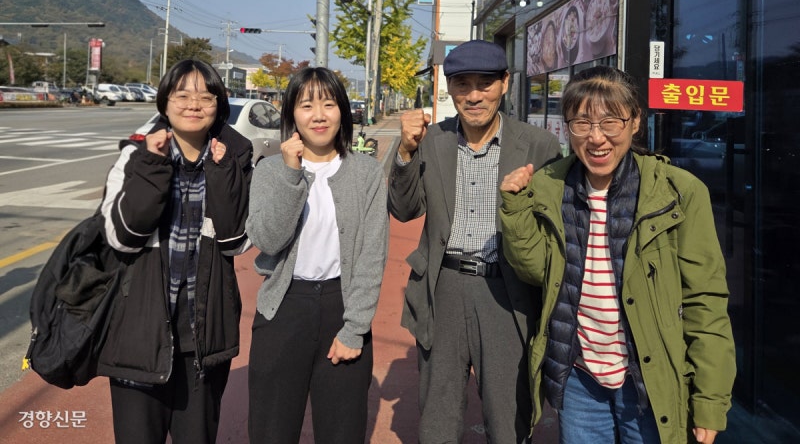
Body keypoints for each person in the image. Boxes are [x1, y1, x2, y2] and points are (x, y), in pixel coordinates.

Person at [499, 66, 736, 444]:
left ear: (635, 121)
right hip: (579, 377)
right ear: (567, 127)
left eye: (610, 121)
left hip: (649, 378)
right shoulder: (550, 185)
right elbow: (536, 270)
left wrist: (710, 400)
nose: (596, 138)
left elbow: (704, 301)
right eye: (582, 123)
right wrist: (513, 209)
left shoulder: (678, 191)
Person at [388, 39, 562, 443]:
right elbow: (404, 209)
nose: (474, 95)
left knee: (509, 415)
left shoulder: (538, 145)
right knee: (438, 413)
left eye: (485, 83)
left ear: (505, 84)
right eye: (462, 84)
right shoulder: (433, 140)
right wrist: (405, 153)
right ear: (450, 89)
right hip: (442, 287)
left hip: (507, 290)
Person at [97, 59, 253, 443]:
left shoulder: (234, 157)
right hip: (140, 334)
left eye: (206, 95)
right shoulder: (136, 155)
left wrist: (221, 173)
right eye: (182, 95)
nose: (194, 104)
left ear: (219, 104)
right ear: (165, 103)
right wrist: (152, 166)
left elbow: (236, 241)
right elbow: (123, 237)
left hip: (204, 336)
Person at [247, 66, 388, 444]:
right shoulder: (271, 170)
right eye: (306, 105)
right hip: (283, 309)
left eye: (328, 103)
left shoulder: (366, 174)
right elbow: (268, 239)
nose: (319, 115)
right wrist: (292, 175)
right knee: (271, 430)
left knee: (341, 431)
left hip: (341, 308)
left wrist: (355, 328)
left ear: (343, 110)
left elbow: (372, 255)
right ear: (291, 113)